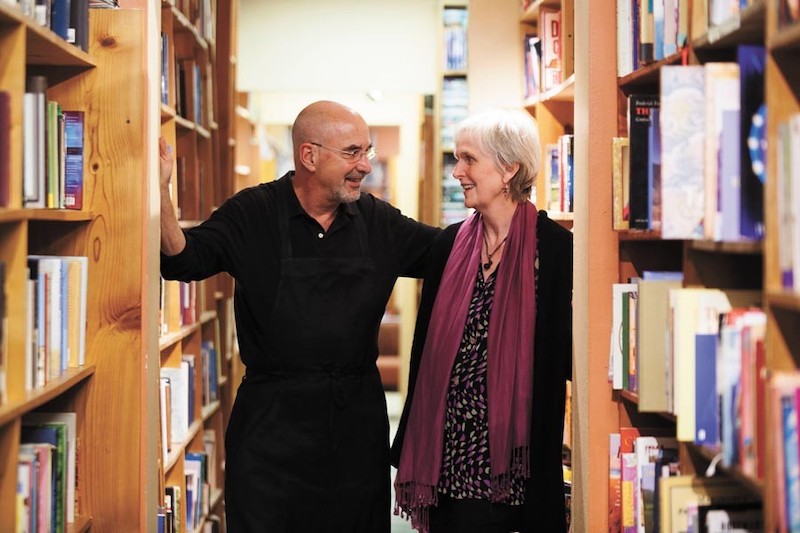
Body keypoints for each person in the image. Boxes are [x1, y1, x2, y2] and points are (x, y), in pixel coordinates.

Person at [159, 100, 440, 532]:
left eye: (367, 151)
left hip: (356, 428)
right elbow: (184, 260)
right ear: (309, 155)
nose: (366, 165)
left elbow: (447, 255)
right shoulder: (252, 213)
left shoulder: (377, 220)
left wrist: (502, 206)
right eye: (352, 152)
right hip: (271, 430)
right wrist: (160, 195)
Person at [390, 108, 573, 533]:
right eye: (458, 159)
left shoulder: (556, 251)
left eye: (469, 159)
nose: (457, 172)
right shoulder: (449, 245)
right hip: (445, 462)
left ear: (509, 169)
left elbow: (565, 359)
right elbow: (425, 353)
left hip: (511, 470)